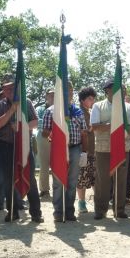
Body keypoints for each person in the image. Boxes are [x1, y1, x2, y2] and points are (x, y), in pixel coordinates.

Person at [0, 80, 43, 222]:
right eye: (6, 90)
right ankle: (12, 212)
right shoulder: (0, 105)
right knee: (9, 181)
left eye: (11, 89)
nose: (8, 92)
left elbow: (35, 122)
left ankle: (36, 213)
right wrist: (13, 109)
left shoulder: (26, 102)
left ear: (16, 90)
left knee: (30, 179)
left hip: (24, 146)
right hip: (6, 146)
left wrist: (22, 126)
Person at [42, 81, 87, 222]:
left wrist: (84, 152)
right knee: (57, 181)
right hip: (58, 150)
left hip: (75, 148)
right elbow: (44, 133)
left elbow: (84, 133)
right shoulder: (51, 111)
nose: (68, 94)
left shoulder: (78, 111)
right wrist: (55, 130)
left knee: (72, 181)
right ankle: (58, 212)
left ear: (73, 93)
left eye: (70, 91)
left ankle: (69, 211)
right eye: (65, 91)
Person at [90, 79, 128, 219]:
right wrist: (113, 125)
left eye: (121, 89)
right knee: (102, 180)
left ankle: (119, 209)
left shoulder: (127, 107)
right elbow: (94, 127)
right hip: (103, 148)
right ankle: (100, 210)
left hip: (122, 148)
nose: (120, 91)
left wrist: (120, 129)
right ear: (108, 91)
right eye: (116, 89)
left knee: (121, 180)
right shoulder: (98, 106)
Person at [76, 86, 97, 213]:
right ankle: (81, 203)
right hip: (83, 149)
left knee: (94, 177)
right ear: (83, 99)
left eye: (93, 98)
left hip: (92, 149)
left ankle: (98, 201)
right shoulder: (79, 112)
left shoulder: (90, 111)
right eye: (90, 98)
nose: (92, 101)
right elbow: (85, 129)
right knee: (82, 177)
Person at [36, 88, 54, 199]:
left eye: (55, 95)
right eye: (50, 95)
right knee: (44, 164)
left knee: (58, 163)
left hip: (58, 137)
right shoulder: (39, 109)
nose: (52, 97)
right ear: (46, 96)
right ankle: (44, 190)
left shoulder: (61, 108)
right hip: (43, 137)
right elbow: (39, 123)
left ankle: (58, 188)